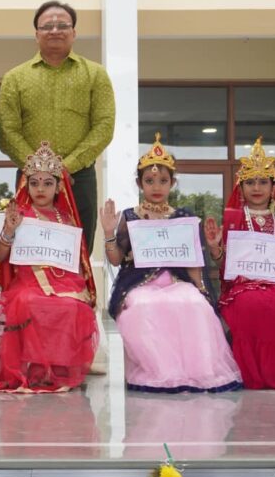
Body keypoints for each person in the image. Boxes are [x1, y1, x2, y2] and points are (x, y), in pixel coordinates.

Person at [100, 134, 242, 393]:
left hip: (177, 281)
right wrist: (109, 232)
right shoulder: (130, 217)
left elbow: (193, 259)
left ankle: (197, 374)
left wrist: (201, 289)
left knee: (194, 304)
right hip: (139, 284)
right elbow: (116, 259)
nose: (157, 186)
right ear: (139, 183)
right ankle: (159, 373)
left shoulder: (183, 217)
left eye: (163, 181)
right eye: (150, 180)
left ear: (172, 183)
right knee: (145, 306)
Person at [0, 141, 98, 393]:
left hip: (63, 283)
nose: (40, 189)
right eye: (35, 183)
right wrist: (9, 231)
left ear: (59, 187)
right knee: (26, 302)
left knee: (73, 306)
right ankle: (32, 370)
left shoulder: (67, 219)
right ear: (27, 185)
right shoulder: (20, 215)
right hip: (27, 284)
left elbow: (75, 263)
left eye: (47, 183)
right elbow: (0, 255)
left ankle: (56, 370)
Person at [203, 138, 275, 390]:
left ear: (273, 187)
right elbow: (227, 266)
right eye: (250, 182)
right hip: (245, 286)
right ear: (241, 186)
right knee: (252, 306)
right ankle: (256, 374)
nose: (256, 187)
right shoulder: (235, 218)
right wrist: (216, 248)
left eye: (263, 182)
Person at [0, 0, 115, 252]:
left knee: (79, 250)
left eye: (62, 25)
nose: (55, 30)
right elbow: (7, 130)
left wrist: (65, 167)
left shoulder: (95, 74)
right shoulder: (15, 77)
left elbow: (104, 126)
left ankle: (77, 293)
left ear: (74, 33)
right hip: (29, 180)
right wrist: (38, 169)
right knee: (27, 249)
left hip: (78, 178)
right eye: (47, 26)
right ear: (36, 34)